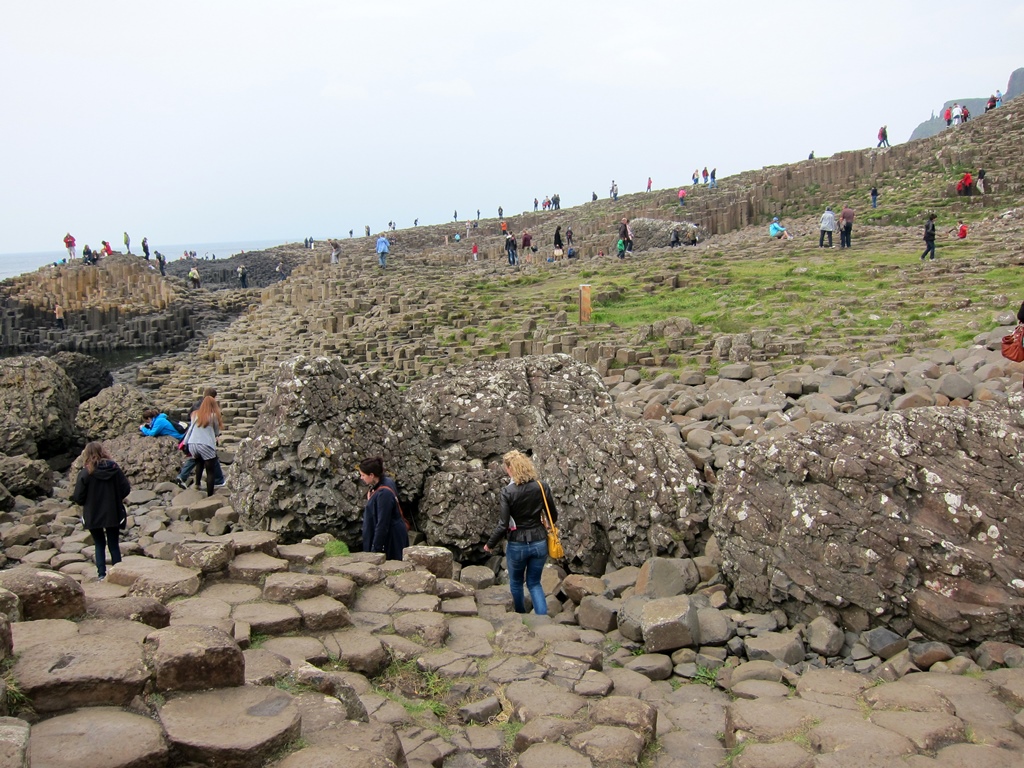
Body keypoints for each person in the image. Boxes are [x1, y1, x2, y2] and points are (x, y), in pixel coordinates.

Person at [483, 450, 557, 615]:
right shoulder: (541, 486)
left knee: (516, 583)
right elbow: (553, 516)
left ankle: (521, 616)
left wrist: (490, 544)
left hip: (517, 543)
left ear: (511, 469)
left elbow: (503, 525)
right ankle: (542, 619)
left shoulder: (507, 492)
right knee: (534, 583)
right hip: (539, 541)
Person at [72, 442, 130, 580]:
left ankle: (101, 574)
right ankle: (118, 573)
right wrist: (116, 498)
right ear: (102, 451)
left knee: (99, 543)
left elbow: (78, 497)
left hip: (93, 513)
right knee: (113, 544)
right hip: (113, 511)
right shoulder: (114, 469)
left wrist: (87, 502)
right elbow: (126, 488)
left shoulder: (86, 473)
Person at [359, 456, 409, 561]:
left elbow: (383, 523)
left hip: (392, 538)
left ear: (372, 475)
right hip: (394, 532)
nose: (361, 478)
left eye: (363, 475)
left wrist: (375, 550)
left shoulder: (384, 493)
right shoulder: (386, 482)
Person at [184, 395, 222, 497]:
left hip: (193, 444)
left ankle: (197, 484)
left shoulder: (194, 414)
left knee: (199, 462)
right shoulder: (213, 416)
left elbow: (190, 429)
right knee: (210, 471)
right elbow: (216, 432)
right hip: (205, 444)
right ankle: (210, 495)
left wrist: (185, 442)